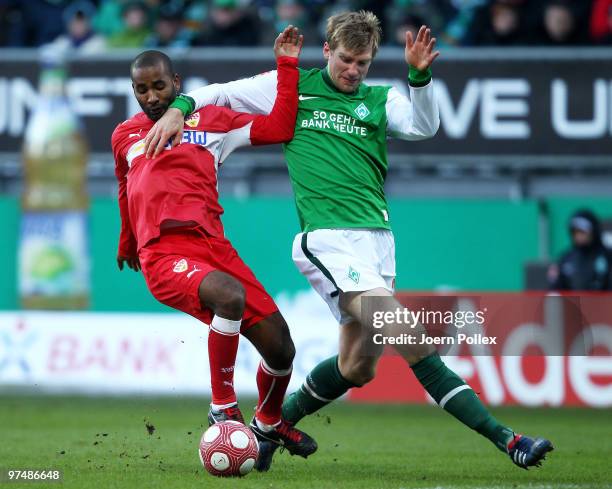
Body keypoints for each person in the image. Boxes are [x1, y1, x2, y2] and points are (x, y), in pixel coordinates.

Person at [142, 10, 553, 472]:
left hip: (378, 243)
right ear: (327, 52)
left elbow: (424, 126)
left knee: (358, 367)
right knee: (410, 335)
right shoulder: (292, 88)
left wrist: (420, 77)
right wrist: (180, 108)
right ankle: (508, 439)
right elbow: (220, 92)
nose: (352, 70)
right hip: (328, 240)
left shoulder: (380, 99)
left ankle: (266, 425)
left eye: (362, 62)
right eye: (345, 60)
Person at [111, 28, 316, 458]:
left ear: (177, 83)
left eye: (159, 86)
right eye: (142, 89)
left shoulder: (212, 122)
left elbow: (280, 126)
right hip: (163, 253)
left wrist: (287, 64)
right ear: (133, 91)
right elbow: (124, 188)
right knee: (229, 296)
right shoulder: (124, 136)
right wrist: (128, 241)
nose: (151, 97)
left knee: (282, 348)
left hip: (213, 247)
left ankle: (269, 421)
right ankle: (222, 407)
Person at [548, 209, 612, 291]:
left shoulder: (608, 256)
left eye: (582, 231)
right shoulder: (566, 258)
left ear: (593, 231)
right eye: (574, 232)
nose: (578, 236)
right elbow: (555, 289)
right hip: (574, 303)